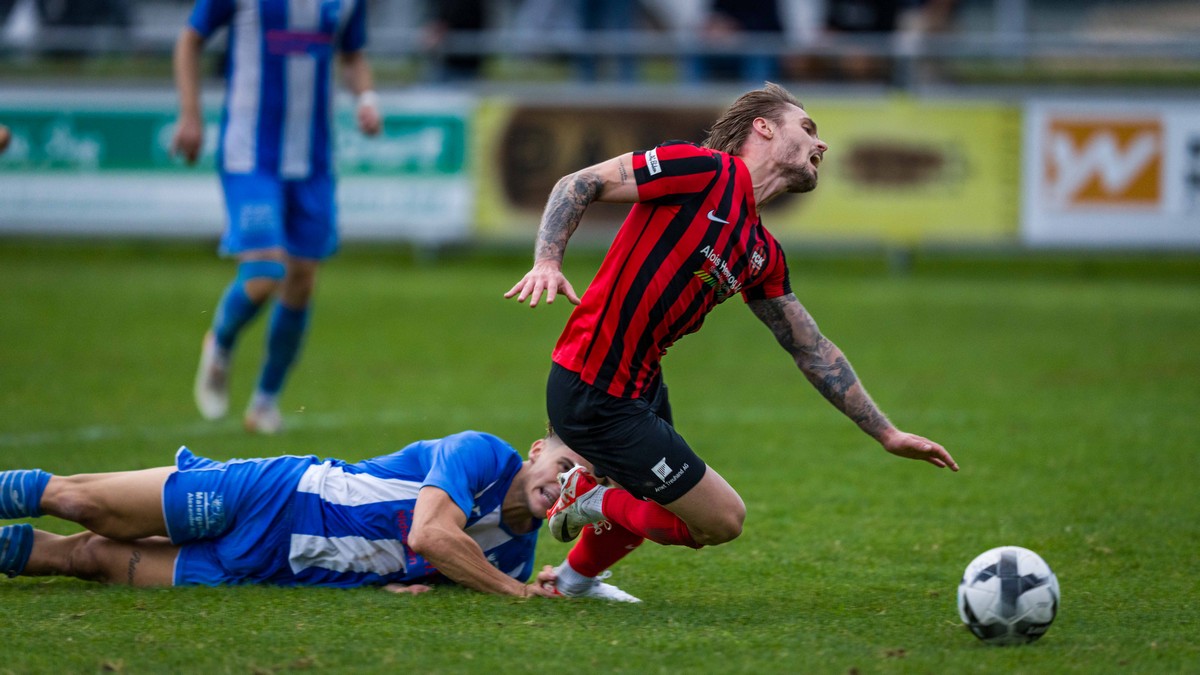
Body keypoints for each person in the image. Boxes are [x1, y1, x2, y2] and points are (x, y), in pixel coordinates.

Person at [505, 82, 958, 595]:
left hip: (639, 384)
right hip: (593, 384)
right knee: (722, 520)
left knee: (667, 505)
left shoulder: (761, 251)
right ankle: (590, 501)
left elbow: (811, 348)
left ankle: (571, 580)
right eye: (807, 128)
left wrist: (886, 433)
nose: (821, 144)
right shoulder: (702, 170)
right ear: (763, 127)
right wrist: (547, 261)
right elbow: (578, 181)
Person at [0, 429, 638, 601]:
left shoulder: (515, 557)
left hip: (267, 567)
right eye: (565, 465)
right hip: (272, 495)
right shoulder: (480, 454)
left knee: (87, 559)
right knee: (80, 502)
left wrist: (397, 583)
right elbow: (429, 535)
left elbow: (428, 567)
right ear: (537, 450)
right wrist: (517, 595)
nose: (566, 485)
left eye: (584, 484)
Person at [171, 0, 383, 434]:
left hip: (313, 162)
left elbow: (353, 54)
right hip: (250, 157)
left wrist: (366, 98)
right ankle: (220, 342)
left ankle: (264, 402)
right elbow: (190, 40)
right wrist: (190, 115)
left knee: (302, 279)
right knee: (266, 271)